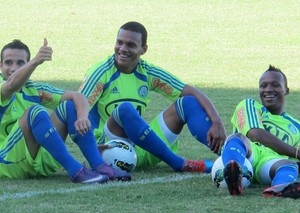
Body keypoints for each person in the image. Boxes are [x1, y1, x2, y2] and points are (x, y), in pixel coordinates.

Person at [78, 21, 226, 173]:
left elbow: (193, 92)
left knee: (187, 103)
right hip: (109, 150)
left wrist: (217, 122)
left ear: (143, 49)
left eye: (131, 45)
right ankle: (179, 163)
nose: (122, 49)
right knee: (125, 110)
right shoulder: (100, 73)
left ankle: (232, 157)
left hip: (143, 148)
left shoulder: (147, 71)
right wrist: (91, 150)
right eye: (119, 43)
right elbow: (75, 109)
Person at [0, 39, 131, 183]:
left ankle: (100, 166)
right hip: (8, 163)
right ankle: (76, 170)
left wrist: (82, 117)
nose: (14, 68)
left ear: (26, 64)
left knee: (69, 106)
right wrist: (35, 61)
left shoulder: (34, 89)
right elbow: (11, 85)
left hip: (40, 160)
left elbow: (77, 96)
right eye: (8, 62)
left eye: (20, 63)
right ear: (0, 66)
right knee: (35, 111)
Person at [219, 65, 300, 198]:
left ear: (286, 90)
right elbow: (255, 135)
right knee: (238, 137)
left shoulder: (297, 126)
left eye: (275, 85)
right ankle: (233, 174)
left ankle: (278, 188)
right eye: (263, 85)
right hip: (247, 156)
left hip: (270, 163)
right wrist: (296, 152)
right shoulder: (250, 105)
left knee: (289, 165)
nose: (268, 89)